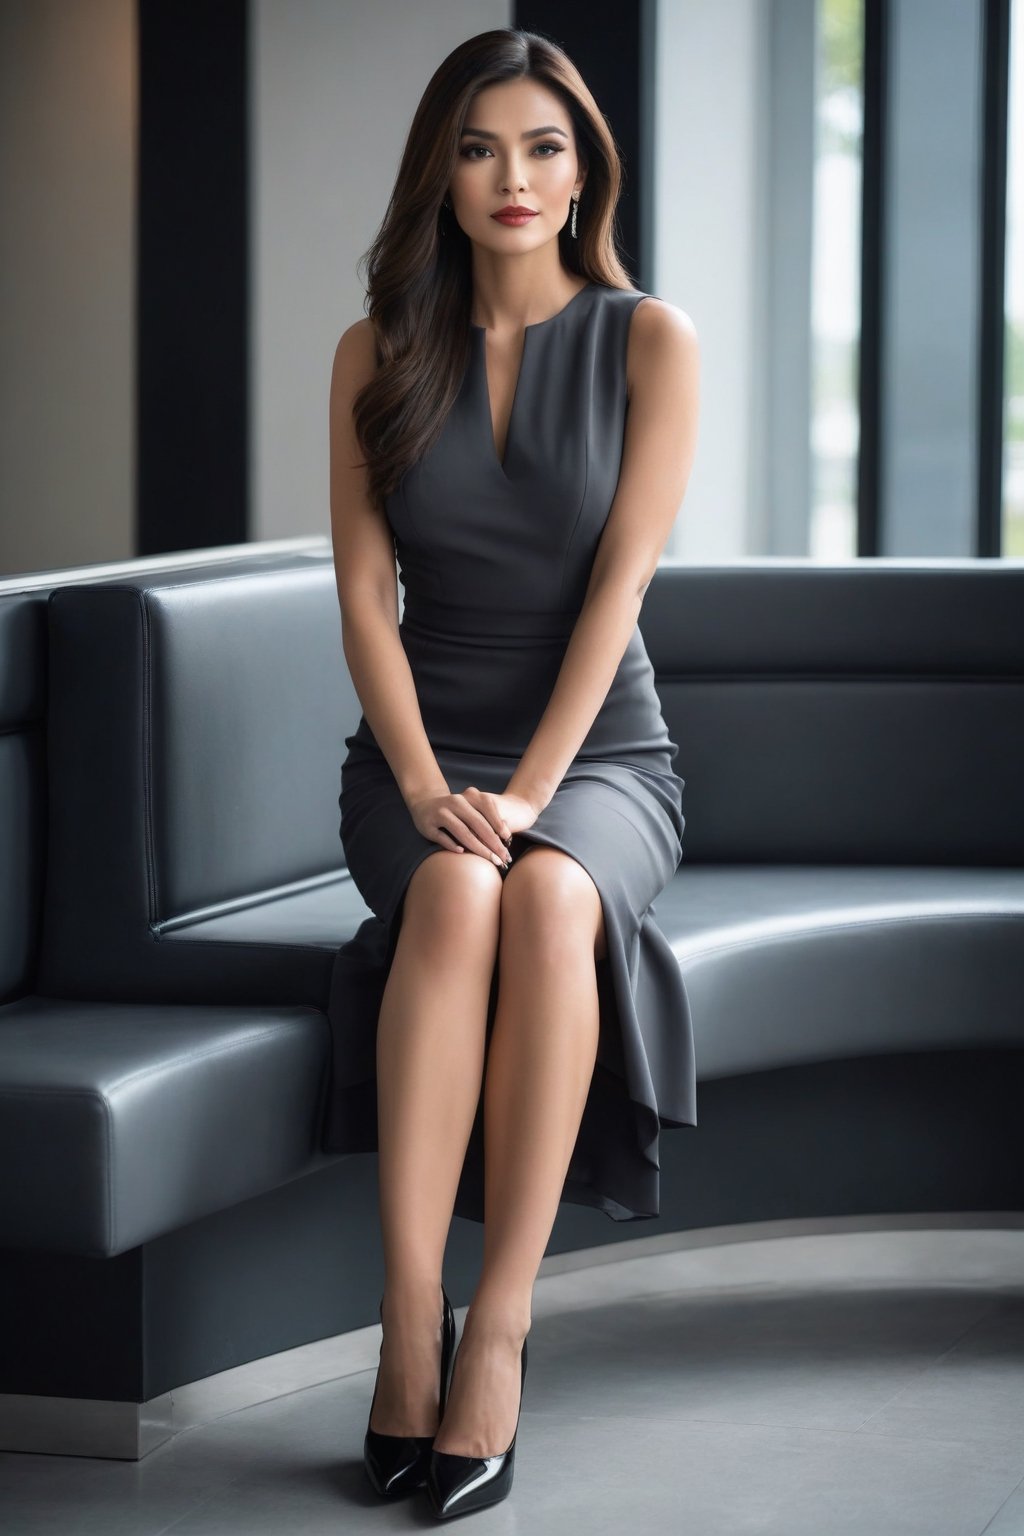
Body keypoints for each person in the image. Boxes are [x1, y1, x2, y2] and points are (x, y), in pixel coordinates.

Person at [321, 25, 700, 1520]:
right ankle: (412, 1325)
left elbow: (621, 591)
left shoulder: (649, 339)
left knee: (543, 903)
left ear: (585, 166)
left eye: (546, 146)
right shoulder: (375, 352)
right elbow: (362, 599)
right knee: (459, 901)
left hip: (602, 754)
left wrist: (535, 795)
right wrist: (423, 788)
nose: (515, 177)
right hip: (419, 753)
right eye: (481, 147)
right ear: (443, 170)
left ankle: (506, 1326)